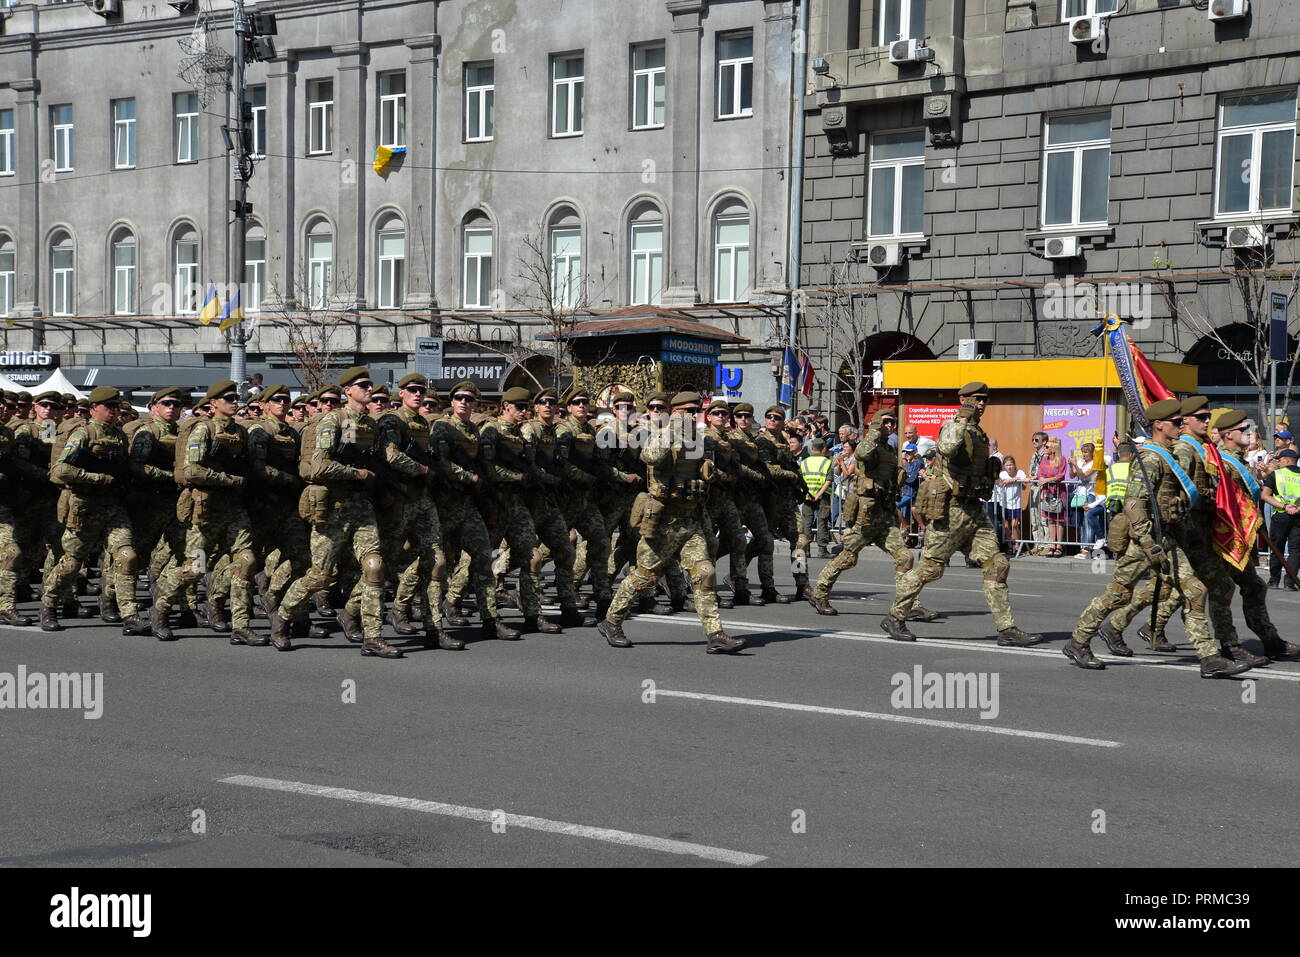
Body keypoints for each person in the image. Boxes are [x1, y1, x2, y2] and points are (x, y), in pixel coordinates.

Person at [1063, 398, 1249, 677]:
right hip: (1146, 541)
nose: (1180, 426)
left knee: (1195, 590)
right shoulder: (1150, 458)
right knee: (1118, 594)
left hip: (1170, 537)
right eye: (1175, 423)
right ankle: (1078, 641)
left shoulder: (1170, 454)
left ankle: (1209, 658)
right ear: (1159, 425)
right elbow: (1134, 504)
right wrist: (1148, 543)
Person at [883, 383, 1041, 646]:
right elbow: (946, 446)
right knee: (931, 569)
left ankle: (1007, 629)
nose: (981, 404)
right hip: (950, 511)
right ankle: (895, 616)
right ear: (963, 400)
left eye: (984, 400)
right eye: (976, 399)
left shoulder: (978, 433)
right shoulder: (953, 425)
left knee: (998, 564)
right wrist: (962, 416)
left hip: (973, 509)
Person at [269, 367, 404, 658]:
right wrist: (356, 473)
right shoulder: (333, 420)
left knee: (374, 567)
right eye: (362, 385)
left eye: (370, 384)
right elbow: (318, 465)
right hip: (333, 508)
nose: (369, 389)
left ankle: (373, 636)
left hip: (362, 508)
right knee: (319, 576)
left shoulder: (369, 424)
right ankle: (283, 616)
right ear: (348, 391)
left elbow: (378, 460)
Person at [598, 391, 744, 654]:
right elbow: (650, 457)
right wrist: (672, 430)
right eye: (687, 411)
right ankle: (611, 621)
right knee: (644, 577)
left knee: (705, 573)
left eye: (696, 410)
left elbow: (706, 469)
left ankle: (716, 634)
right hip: (664, 519)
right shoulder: (661, 432)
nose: (693, 415)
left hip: (691, 518)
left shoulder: (697, 438)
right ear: (675, 412)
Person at [40, 387, 151, 636]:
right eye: (109, 406)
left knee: (127, 557)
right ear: (94, 409)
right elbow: (60, 470)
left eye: (116, 406)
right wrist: (97, 477)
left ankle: (130, 615)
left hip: (113, 507)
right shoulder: (83, 433)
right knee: (70, 563)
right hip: (84, 507)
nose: (114, 411)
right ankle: (48, 605)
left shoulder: (120, 435)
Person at [809, 408, 933, 620]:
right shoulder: (870, 444)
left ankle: (909, 604)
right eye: (885, 421)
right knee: (847, 557)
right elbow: (862, 454)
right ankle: (819, 593)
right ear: (876, 424)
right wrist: (875, 430)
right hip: (866, 516)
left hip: (884, 516)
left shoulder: (889, 448)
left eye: (892, 422)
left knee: (905, 556)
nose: (890, 425)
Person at [1261, 446, 1300, 589]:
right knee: (1296, 550)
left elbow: (1265, 496)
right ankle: (1290, 583)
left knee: (1277, 548)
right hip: (1298, 516)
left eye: (1280, 460)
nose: (1278, 462)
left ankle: (1274, 581)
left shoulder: (1277, 475)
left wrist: (1283, 506)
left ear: (1288, 460)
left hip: (1281, 515)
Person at [798, 437, 834, 558]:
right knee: (822, 522)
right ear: (823, 448)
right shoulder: (827, 462)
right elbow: (828, 481)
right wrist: (818, 494)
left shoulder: (804, 462)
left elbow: (800, 479)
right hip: (822, 496)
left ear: (812, 448)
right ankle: (822, 550)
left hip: (807, 496)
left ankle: (806, 550)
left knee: (806, 523)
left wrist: (808, 492)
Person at [1036, 437, 1068, 556]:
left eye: (1047, 447)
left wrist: (1046, 480)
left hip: (1059, 493)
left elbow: (1061, 475)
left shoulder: (1062, 459)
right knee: (1050, 519)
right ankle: (1051, 545)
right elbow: (1039, 473)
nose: (1044, 448)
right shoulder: (1044, 459)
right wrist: (1042, 480)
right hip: (1047, 493)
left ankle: (1059, 546)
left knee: (1059, 520)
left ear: (1054, 449)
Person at [996, 456, 1026, 556]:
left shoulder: (1020, 472)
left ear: (1014, 465)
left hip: (1016, 503)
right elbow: (1000, 483)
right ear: (1004, 466)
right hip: (1004, 503)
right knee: (1006, 526)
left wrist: (1014, 479)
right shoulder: (1002, 473)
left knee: (1014, 525)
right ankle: (1009, 546)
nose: (1009, 467)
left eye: (1011, 465)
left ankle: (1017, 545)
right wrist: (1006, 481)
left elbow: (1024, 485)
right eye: (1007, 465)